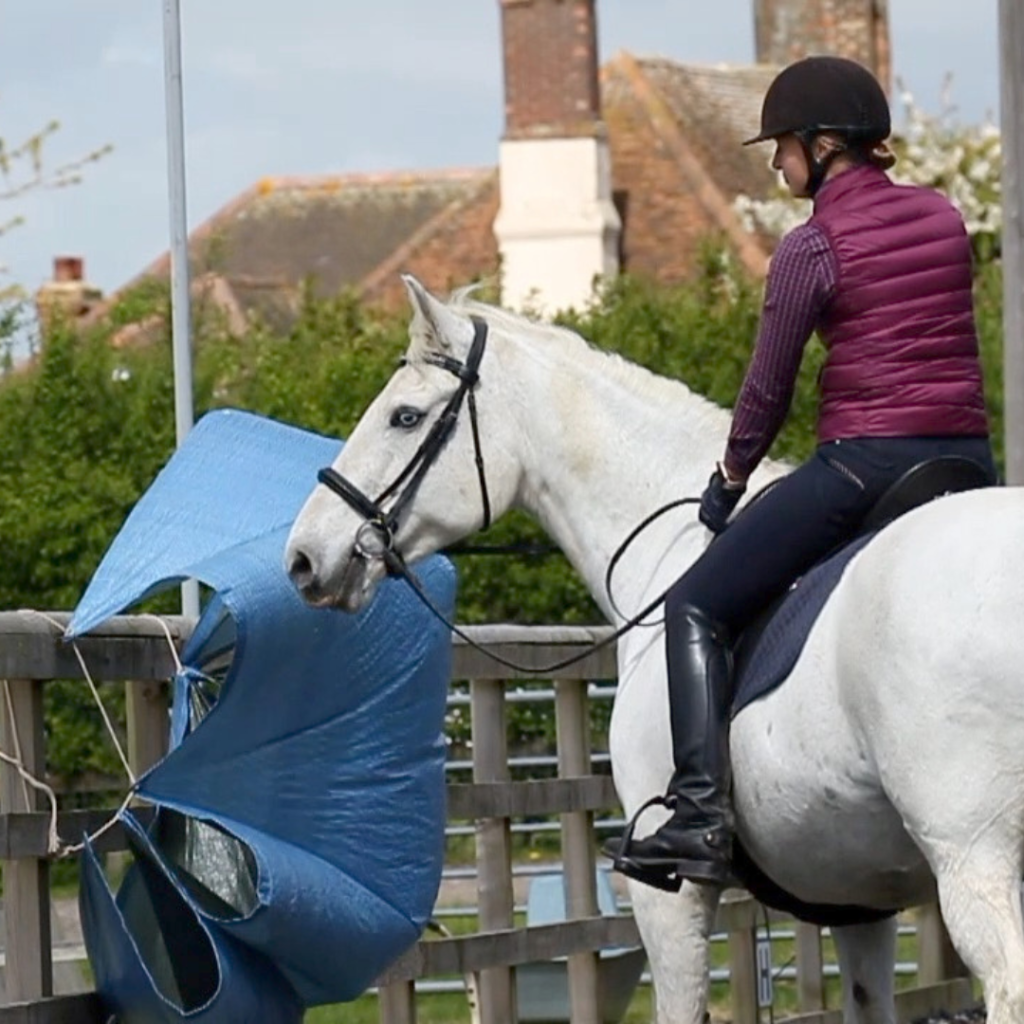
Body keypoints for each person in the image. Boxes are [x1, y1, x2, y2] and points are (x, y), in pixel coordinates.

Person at [605, 55, 997, 892]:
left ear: (822, 146)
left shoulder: (811, 247)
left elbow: (766, 388)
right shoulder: (943, 216)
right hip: (964, 459)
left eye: (782, 145)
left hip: (867, 463)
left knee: (695, 605)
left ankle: (701, 818)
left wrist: (730, 480)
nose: (777, 162)